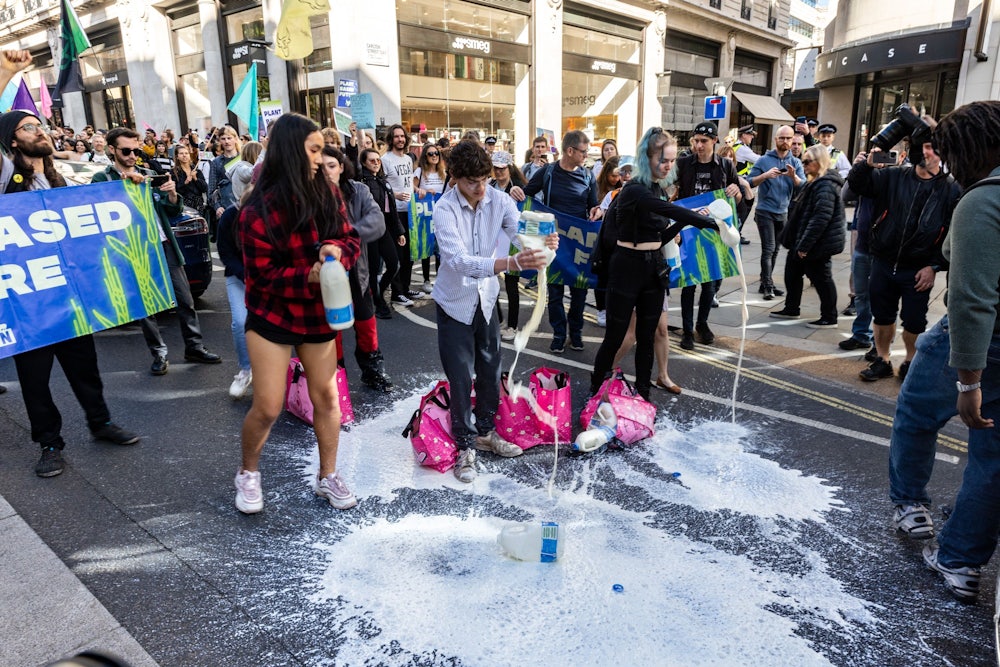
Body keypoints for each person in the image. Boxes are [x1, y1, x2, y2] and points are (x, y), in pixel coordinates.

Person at [0, 51, 139, 478]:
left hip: (68, 295)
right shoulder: (5, 174)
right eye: (28, 127)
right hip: (29, 302)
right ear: (11, 140)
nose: (38, 130)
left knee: (85, 367)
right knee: (35, 380)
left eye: (39, 124)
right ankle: (49, 444)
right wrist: (7, 73)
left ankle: (100, 422)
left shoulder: (63, 176)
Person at [235, 112, 362, 513]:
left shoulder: (328, 191)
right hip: (271, 314)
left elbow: (350, 237)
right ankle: (248, 473)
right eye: (313, 149)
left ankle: (328, 475)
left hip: (318, 313)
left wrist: (337, 253)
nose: (320, 158)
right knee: (269, 404)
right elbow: (262, 275)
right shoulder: (255, 210)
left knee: (326, 397)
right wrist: (308, 274)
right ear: (291, 150)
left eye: (321, 150)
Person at [431, 139, 558, 483]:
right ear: (455, 177)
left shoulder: (499, 200)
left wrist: (541, 244)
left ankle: (486, 432)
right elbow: (457, 261)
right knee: (460, 377)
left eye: (485, 179)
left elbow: (520, 233)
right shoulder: (444, 209)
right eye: (472, 181)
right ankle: (464, 446)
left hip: (486, 299)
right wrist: (509, 262)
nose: (480, 188)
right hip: (454, 302)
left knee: (490, 368)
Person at [918, 100, 1000, 603]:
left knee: (914, 414)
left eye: (951, 153)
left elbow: (972, 299)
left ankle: (953, 554)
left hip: (987, 347)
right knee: (995, 461)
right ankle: (964, 560)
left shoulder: (982, 201)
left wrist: (968, 383)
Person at [590, 127, 717, 399]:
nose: (668, 165)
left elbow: (660, 236)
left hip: (653, 267)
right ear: (646, 158)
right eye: (663, 159)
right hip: (626, 267)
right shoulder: (634, 189)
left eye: (671, 160)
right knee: (615, 336)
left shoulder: (657, 189)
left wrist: (686, 221)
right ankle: (594, 392)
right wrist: (705, 220)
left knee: (647, 338)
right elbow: (667, 210)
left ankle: (644, 396)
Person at [92, 127, 221, 375]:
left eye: (136, 150)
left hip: (162, 243)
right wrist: (126, 185)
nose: (132, 155)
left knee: (184, 298)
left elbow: (172, 211)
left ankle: (194, 346)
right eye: (126, 151)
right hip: (133, 248)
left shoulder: (150, 174)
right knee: (147, 304)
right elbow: (100, 209)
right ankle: (159, 353)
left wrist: (172, 194)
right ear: (112, 150)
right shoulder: (103, 179)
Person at [847, 113, 961, 382]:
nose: (926, 151)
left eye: (931, 147)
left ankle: (910, 361)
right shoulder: (894, 176)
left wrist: (934, 266)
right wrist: (867, 162)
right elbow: (856, 185)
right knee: (882, 316)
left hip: (918, 269)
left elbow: (952, 235)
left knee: (914, 322)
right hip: (884, 262)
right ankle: (883, 360)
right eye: (922, 145)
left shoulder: (951, 189)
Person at [322, 146, 394, 392]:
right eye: (321, 167)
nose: (327, 172)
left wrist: (348, 236)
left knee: (366, 323)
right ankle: (336, 373)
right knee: (333, 326)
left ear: (341, 167)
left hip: (356, 268)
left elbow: (377, 221)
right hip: (324, 273)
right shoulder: (309, 196)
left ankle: (372, 369)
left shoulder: (358, 190)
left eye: (331, 166)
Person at [523, 130, 601, 353]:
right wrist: (517, 191)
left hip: (578, 244)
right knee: (554, 293)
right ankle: (559, 334)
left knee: (579, 292)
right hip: (553, 243)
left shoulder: (588, 176)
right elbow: (528, 197)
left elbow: (592, 206)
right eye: (584, 152)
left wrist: (596, 211)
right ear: (570, 150)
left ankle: (575, 334)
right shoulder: (547, 173)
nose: (586, 156)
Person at [668, 121, 742, 350]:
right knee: (689, 282)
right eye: (695, 141)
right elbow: (665, 185)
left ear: (714, 141)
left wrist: (737, 192)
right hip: (689, 227)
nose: (698, 146)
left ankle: (702, 323)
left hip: (715, 230)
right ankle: (687, 330)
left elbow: (736, 198)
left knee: (711, 283)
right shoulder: (683, 164)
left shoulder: (726, 166)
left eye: (703, 141)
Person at [768, 145, 845, 327]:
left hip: (817, 243)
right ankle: (792, 308)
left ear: (820, 162)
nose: (804, 165)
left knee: (822, 279)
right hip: (802, 239)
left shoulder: (825, 185)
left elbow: (820, 219)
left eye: (808, 161)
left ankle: (829, 316)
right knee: (792, 273)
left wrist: (805, 246)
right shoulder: (816, 181)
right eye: (803, 161)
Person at [747, 125, 804, 300]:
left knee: (776, 250)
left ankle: (766, 282)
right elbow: (749, 182)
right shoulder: (764, 160)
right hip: (765, 210)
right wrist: (765, 176)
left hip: (783, 211)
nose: (785, 142)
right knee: (769, 248)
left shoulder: (795, 162)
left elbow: (802, 187)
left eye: (789, 139)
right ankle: (768, 285)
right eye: (782, 138)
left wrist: (793, 176)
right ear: (776, 139)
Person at [358, 148, 406, 319]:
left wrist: (399, 231)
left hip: (385, 229)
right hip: (370, 231)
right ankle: (378, 303)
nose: (376, 163)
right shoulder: (361, 181)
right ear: (363, 163)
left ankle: (377, 293)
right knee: (371, 270)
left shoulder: (383, 181)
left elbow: (391, 209)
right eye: (372, 160)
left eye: (378, 160)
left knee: (394, 264)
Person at [215, 189, 254, 400]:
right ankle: (246, 370)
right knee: (240, 321)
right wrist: (244, 274)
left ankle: (273, 371)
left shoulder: (272, 213)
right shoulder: (230, 216)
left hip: (266, 275)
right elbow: (225, 252)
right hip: (239, 275)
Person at [381, 124, 424, 305]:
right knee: (398, 253)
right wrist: (395, 195)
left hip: (410, 211)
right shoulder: (385, 159)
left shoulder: (408, 158)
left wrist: (417, 189)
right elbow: (381, 186)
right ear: (391, 139)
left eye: (402, 136)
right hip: (395, 212)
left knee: (409, 253)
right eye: (396, 136)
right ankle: (397, 293)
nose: (400, 139)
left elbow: (407, 182)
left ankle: (405, 288)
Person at [488, 150, 528, 341]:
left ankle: (512, 325)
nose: (498, 172)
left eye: (502, 168)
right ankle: (498, 318)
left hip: (512, 240)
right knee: (490, 279)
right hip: (492, 238)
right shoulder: (490, 185)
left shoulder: (518, 187)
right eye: (495, 168)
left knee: (512, 284)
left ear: (509, 168)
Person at [413, 141, 447, 293]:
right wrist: (422, 191)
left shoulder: (443, 172)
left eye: (436, 154)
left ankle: (440, 279)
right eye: (431, 154)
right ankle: (426, 280)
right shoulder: (420, 171)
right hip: (425, 213)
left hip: (441, 214)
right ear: (425, 157)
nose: (434, 156)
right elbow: (411, 187)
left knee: (440, 249)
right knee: (427, 248)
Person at [208, 125, 242, 220]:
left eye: (229, 138)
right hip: (226, 208)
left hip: (245, 206)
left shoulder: (244, 157)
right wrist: (217, 207)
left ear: (235, 139)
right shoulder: (216, 162)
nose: (226, 141)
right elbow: (211, 189)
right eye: (223, 139)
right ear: (219, 141)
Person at [171, 143, 208, 213]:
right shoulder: (174, 172)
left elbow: (205, 188)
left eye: (186, 153)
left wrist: (196, 179)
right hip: (184, 205)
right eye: (181, 153)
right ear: (177, 156)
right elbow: (175, 191)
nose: (184, 155)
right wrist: (185, 183)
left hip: (198, 205)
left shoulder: (197, 171)